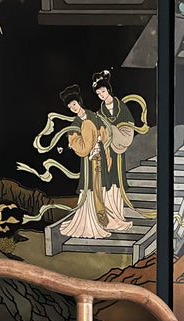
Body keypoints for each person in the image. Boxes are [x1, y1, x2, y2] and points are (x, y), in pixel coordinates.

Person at [57, 85, 126, 239]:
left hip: (100, 156)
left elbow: (104, 131)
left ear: (79, 102)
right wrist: (88, 143)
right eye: (70, 107)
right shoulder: (75, 124)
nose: (73, 108)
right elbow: (77, 144)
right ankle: (92, 221)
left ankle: (105, 219)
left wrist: (100, 138)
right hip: (88, 161)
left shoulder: (93, 115)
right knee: (91, 188)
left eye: (74, 104)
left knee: (101, 187)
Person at [92, 71, 133, 232]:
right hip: (107, 150)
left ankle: (119, 216)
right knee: (108, 181)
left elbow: (129, 125)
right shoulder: (100, 112)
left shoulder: (121, 106)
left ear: (108, 90)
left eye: (103, 91)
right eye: (98, 93)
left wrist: (114, 131)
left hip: (119, 147)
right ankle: (110, 218)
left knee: (117, 181)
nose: (101, 95)